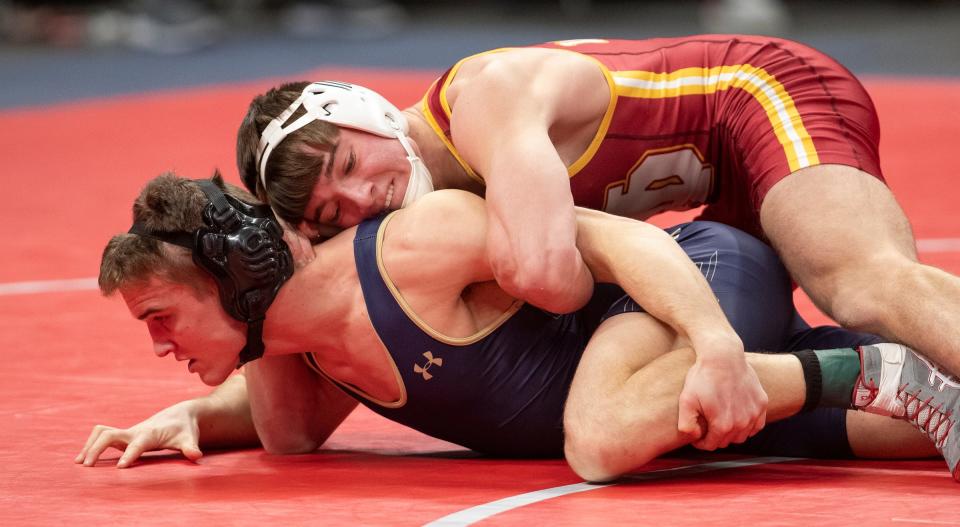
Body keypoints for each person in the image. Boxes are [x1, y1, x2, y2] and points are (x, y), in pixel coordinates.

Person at [234, 36, 960, 450]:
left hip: (753, 93)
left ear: (369, 113)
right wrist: (209, 404)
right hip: (706, 200)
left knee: (864, 281)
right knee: (729, 391)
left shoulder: (484, 100)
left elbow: (553, 277)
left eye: (352, 166)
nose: (365, 200)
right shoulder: (431, 207)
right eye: (333, 212)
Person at [77, 173, 951, 481]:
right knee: (898, 429)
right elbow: (291, 436)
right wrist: (199, 413)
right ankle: (907, 381)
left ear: (236, 277)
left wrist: (716, 343)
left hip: (687, 277)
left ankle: (874, 369)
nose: (159, 347)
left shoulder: (409, 250)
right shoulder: (298, 343)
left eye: (161, 318)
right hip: (656, 370)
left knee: (603, 436)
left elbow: (609, 238)